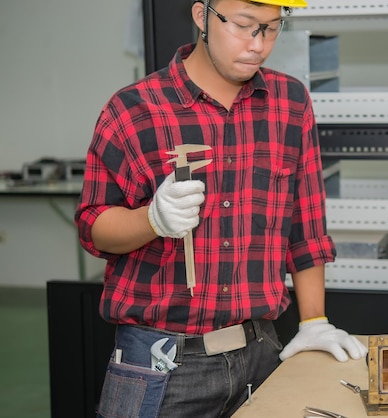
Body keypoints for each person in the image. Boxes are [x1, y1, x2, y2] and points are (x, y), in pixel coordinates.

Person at [75, 0, 367, 416]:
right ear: (202, 16)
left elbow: (306, 227)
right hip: (161, 361)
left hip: (261, 354)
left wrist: (314, 321)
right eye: (245, 26)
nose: (258, 45)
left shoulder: (290, 103)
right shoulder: (134, 110)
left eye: (271, 28)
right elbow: (93, 226)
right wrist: (151, 219)